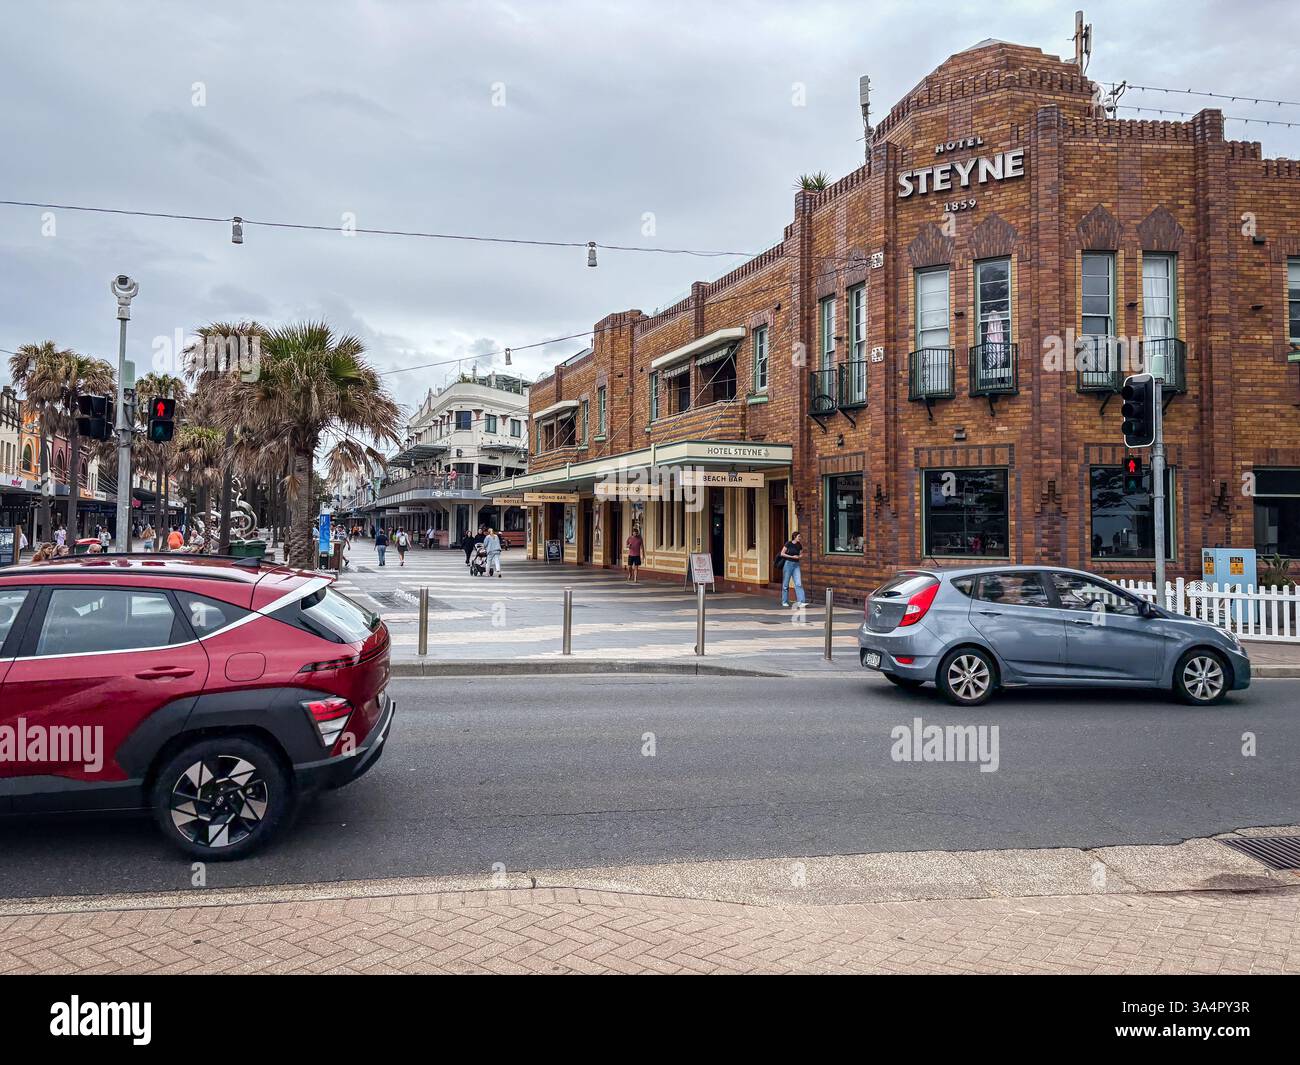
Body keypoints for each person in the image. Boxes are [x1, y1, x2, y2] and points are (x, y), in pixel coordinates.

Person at [777, 531, 806, 608]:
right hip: (788, 564)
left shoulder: (799, 545)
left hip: (796, 565)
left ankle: (801, 601)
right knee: (786, 584)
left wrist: (799, 557)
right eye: (799, 536)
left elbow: (801, 554)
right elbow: (782, 553)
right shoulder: (788, 544)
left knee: (798, 583)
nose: (800, 538)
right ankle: (784, 601)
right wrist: (792, 557)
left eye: (800, 537)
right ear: (794, 537)